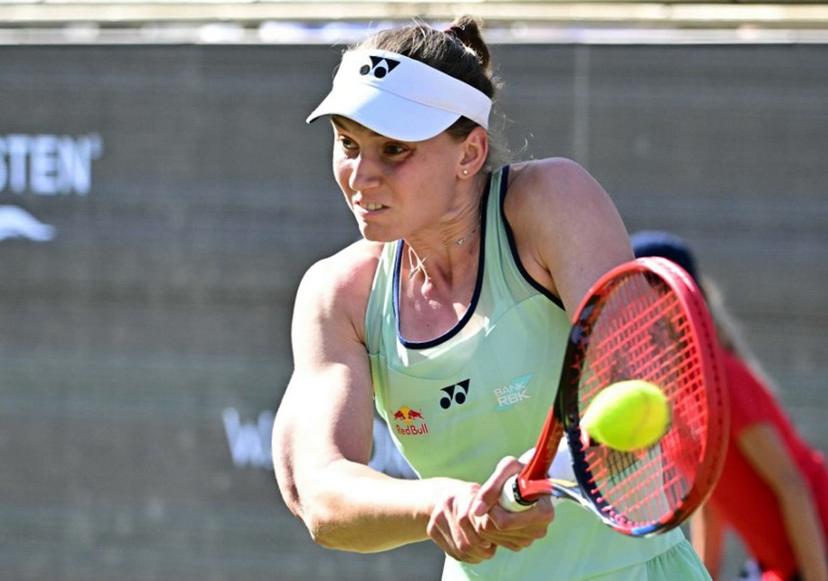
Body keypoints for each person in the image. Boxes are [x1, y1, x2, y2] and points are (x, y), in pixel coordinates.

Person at [272, 17, 710, 579]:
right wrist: (441, 505)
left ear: (469, 153)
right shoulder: (339, 295)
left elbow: (638, 390)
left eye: (394, 149)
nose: (361, 175)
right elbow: (320, 492)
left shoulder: (552, 202)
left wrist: (561, 465)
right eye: (348, 143)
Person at [631, 230, 828, 581]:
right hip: (782, 565)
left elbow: (792, 483)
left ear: (674, 299)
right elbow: (710, 505)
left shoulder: (722, 377)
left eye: (641, 292)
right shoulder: (670, 397)